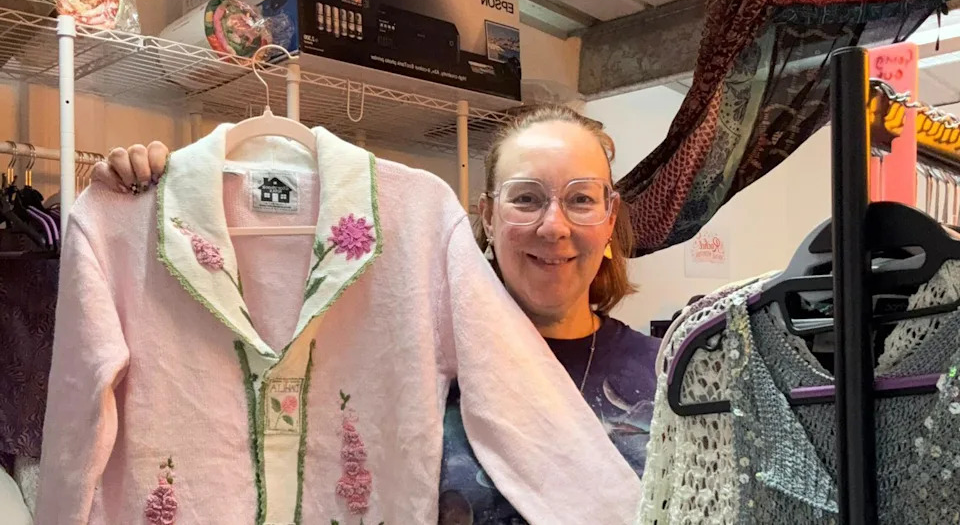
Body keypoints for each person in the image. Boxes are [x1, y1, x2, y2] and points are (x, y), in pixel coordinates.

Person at [93, 104, 661, 524]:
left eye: (581, 198)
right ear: (485, 217)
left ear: (610, 217)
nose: (553, 226)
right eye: (527, 198)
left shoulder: (665, 375)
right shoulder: (423, 306)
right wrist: (142, 199)